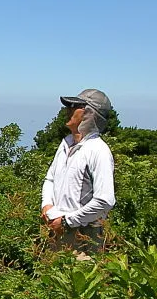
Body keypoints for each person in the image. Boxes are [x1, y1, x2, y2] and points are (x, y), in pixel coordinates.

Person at [40, 89, 115, 255]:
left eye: (75, 106)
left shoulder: (98, 150)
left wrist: (67, 221)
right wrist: (47, 205)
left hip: (83, 238)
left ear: (89, 113)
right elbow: (50, 178)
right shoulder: (66, 143)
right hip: (57, 230)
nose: (68, 110)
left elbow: (105, 200)